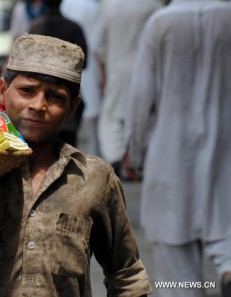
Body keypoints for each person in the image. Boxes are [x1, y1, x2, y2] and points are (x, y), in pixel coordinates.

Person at [0, 34, 152, 296]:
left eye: (55, 97)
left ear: (72, 107)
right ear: (3, 91)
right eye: (27, 91)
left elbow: (127, 276)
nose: (39, 105)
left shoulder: (94, 178)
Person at [125, 1, 231, 296]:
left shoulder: (160, 23)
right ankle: (226, 267)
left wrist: (136, 146)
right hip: (226, 147)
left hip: (170, 151)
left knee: (176, 249)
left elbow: (142, 95)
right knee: (226, 224)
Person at [92, 0, 162, 177]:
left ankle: (116, 157)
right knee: (144, 115)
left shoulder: (109, 5)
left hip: (116, 71)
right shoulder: (153, 5)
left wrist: (104, 76)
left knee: (113, 118)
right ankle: (136, 160)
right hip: (147, 69)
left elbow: (98, 45)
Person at [28, 0, 88, 147]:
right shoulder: (73, 27)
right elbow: (85, 63)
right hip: (66, 103)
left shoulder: (36, 27)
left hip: (41, 102)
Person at [60, 0, 102, 156]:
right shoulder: (93, 6)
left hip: (68, 71)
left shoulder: (65, 5)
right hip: (91, 69)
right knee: (92, 124)